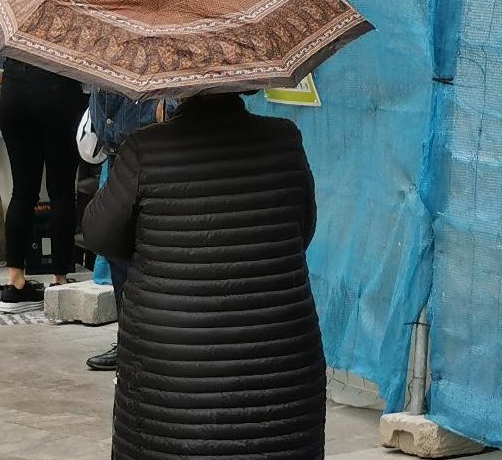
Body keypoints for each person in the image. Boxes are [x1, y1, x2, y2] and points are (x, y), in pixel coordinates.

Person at [82, 93, 325, 459]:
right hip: (279, 353)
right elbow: (301, 230)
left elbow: (100, 234)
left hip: (170, 365)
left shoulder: (145, 149)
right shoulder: (284, 140)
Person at [85, 0, 173, 372]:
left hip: (160, 142)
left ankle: (157, 347)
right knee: (118, 247)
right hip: (117, 143)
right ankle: (130, 343)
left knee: (157, 255)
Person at [0, 0, 91, 313]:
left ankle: (14, 282)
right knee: (61, 190)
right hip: (59, 83)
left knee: (22, 188)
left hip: (17, 81)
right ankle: (59, 278)